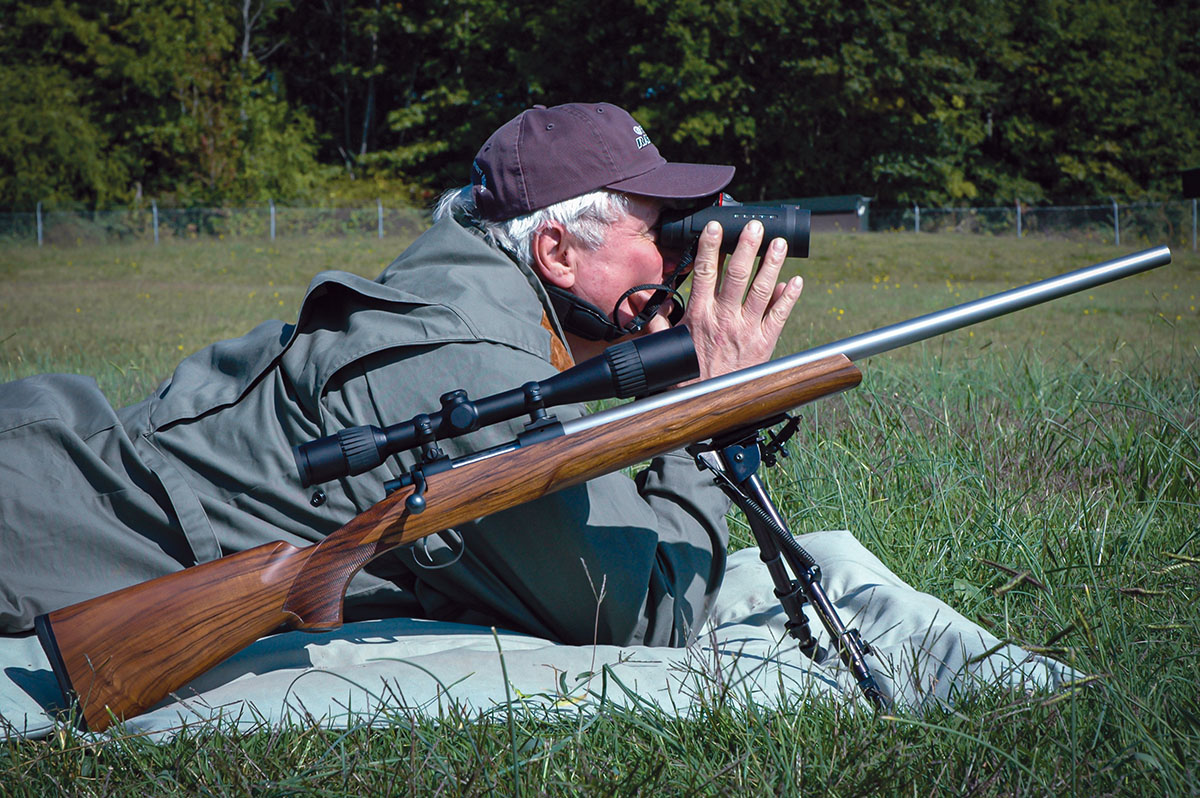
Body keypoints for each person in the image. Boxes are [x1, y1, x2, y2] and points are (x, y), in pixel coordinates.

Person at [0, 102, 802, 647]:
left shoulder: (458, 302)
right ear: (557, 252)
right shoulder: (480, 372)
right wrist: (707, 408)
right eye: (661, 234)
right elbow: (642, 616)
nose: (679, 263)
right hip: (38, 534)